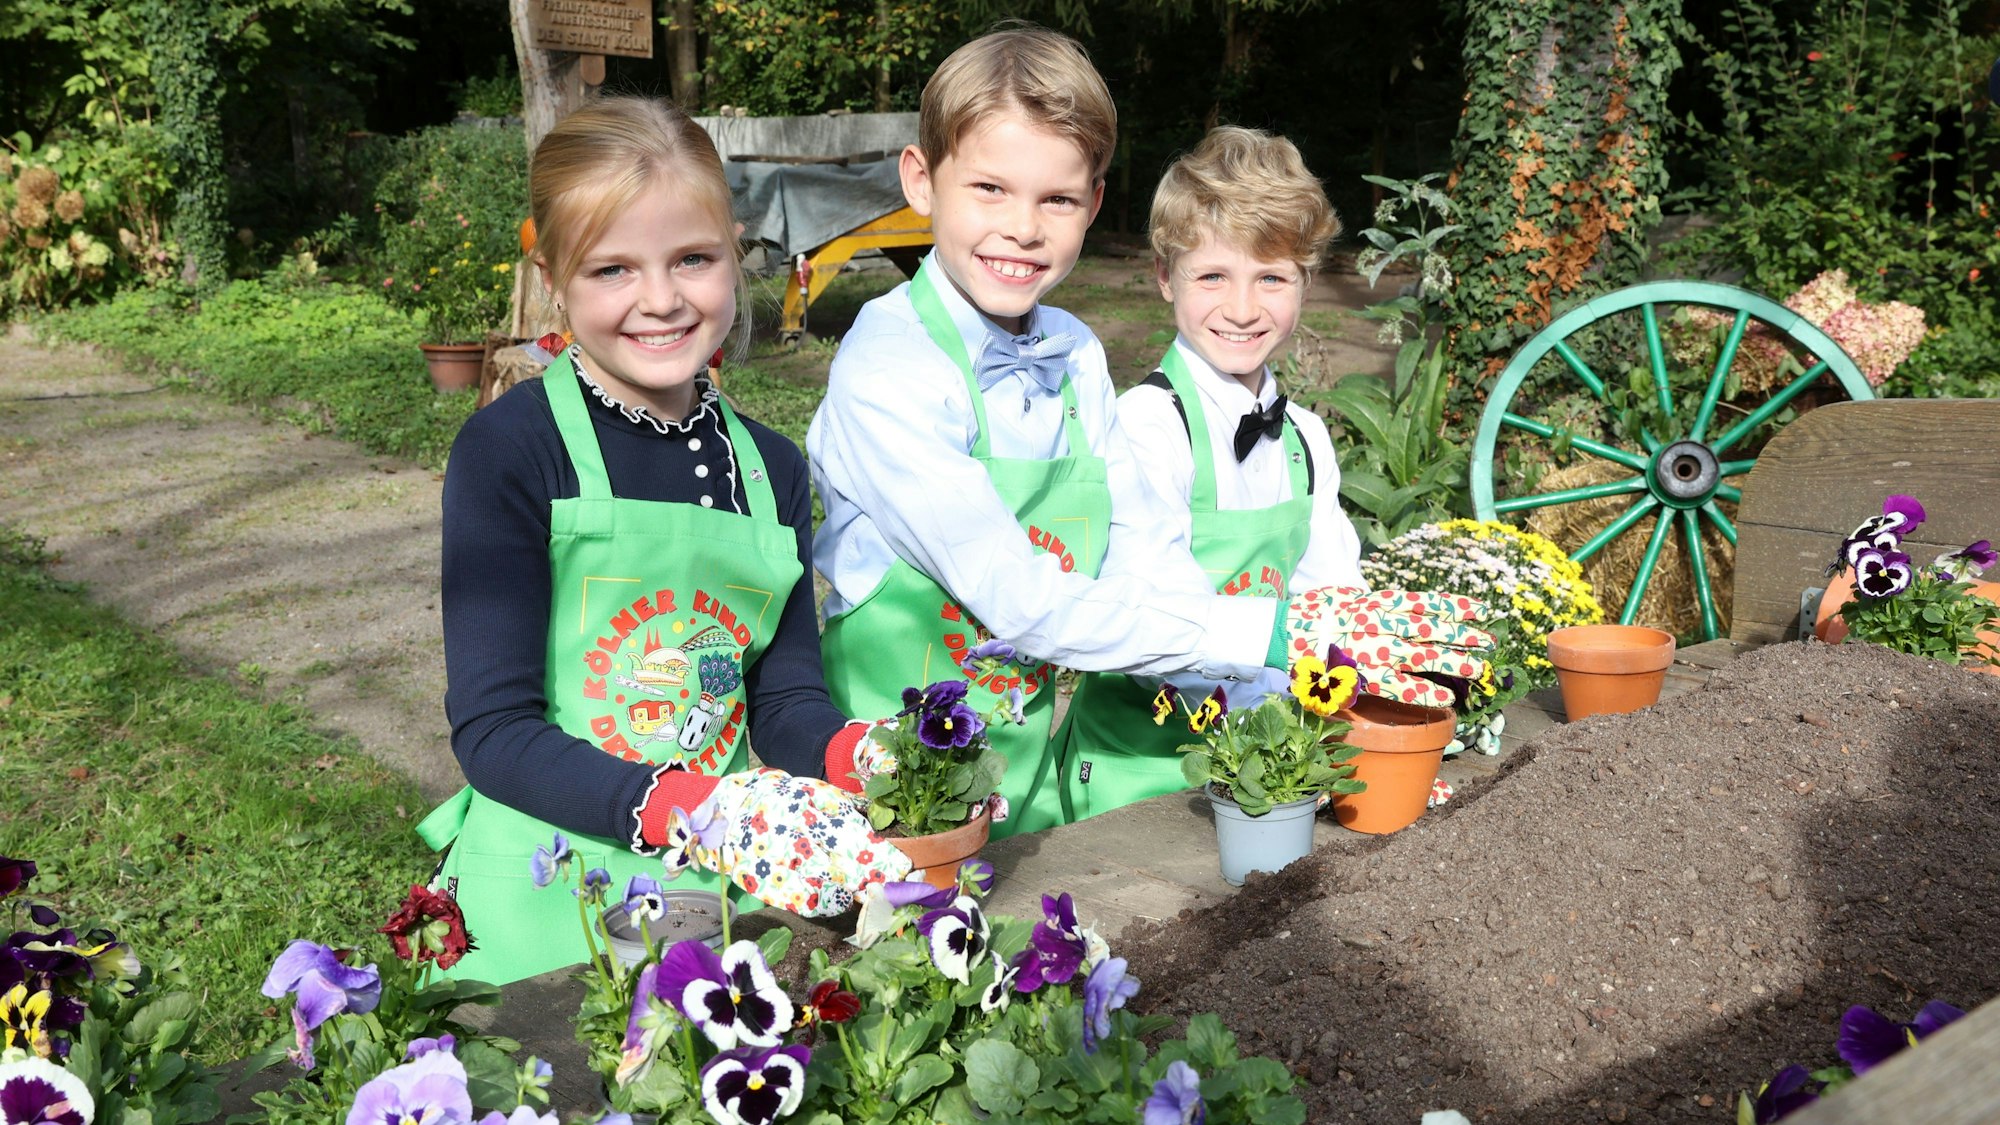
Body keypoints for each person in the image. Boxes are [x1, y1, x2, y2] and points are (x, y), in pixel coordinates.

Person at [808, 28, 1491, 840]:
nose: (1023, 227)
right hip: (895, 794)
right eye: (990, 188)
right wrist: (1272, 632)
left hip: (1027, 785)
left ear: (1093, 204)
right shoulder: (891, 367)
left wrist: (1342, 649)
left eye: (1056, 199)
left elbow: (1136, 559)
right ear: (921, 181)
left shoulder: (1074, 355)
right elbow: (1016, 598)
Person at [420, 97, 904, 985]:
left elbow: (785, 699)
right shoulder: (512, 450)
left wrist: (854, 754)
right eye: (613, 269)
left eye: (693, 259)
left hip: (711, 901)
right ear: (553, 278)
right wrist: (684, 803)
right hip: (543, 899)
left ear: (735, 252)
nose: (661, 299)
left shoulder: (771, 468)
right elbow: (492, 729)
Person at [1051, 126, 1367, 821]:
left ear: (1306, 283)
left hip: (1273, 769)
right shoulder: (1146, 427)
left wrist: (1364, 680)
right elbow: (1150, 614)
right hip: (1137, 780)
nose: (1244, 308)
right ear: (1166, 278)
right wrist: (1275, 732)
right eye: (1213, 276)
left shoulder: (1306, 439)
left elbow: (1332, 602)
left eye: (1273, 278)